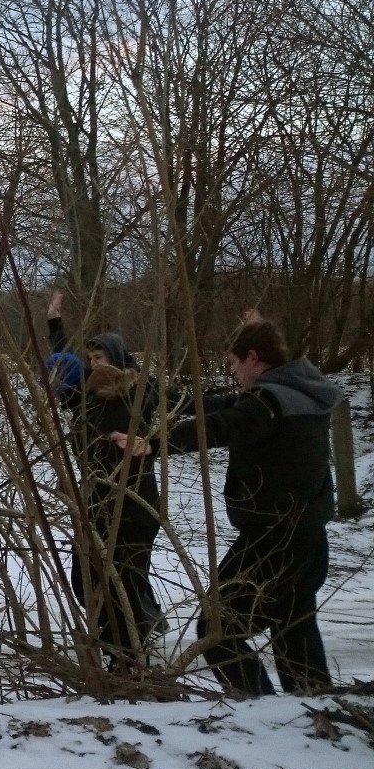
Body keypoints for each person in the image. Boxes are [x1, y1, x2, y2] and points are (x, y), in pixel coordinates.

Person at [117, 315, 339, 696]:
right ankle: (314, 710)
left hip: (271, 542)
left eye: (235, 363)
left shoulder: (266, 403)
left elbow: (224, 425)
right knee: (294, 629)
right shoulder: (301, 394)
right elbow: (223, 407)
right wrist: (168, 399)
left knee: (217, 629)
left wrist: (153, 443)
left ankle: (259, 708)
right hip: (308, 540)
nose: (234, 372)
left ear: (253, 358)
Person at [45, 287, 164, 674]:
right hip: (96, 505)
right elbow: (64, 366)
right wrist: (54, 324)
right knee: (88, 581)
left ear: (117, 360)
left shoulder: (136, 395)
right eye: (90, 359)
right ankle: (135, 630)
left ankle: (129, 656)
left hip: (131, 505)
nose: (93, 364)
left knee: (123, 583)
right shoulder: (87, 395)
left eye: (100, 358)